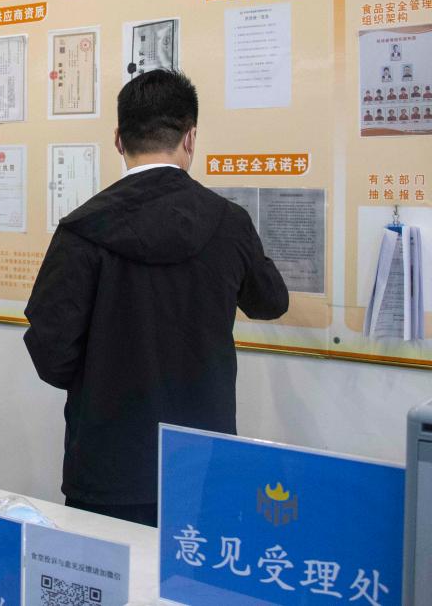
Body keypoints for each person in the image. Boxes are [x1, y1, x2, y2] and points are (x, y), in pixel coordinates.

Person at [24, 70, 288, 527]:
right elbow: (271, 302)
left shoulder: (81, 229)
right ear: (190, 138)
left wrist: (99, 377)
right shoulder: (229, 221)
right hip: (202, 457)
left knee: (106, 570)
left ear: (118, 139)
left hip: (107, 460)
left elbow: (51, 352)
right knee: (195, 570)